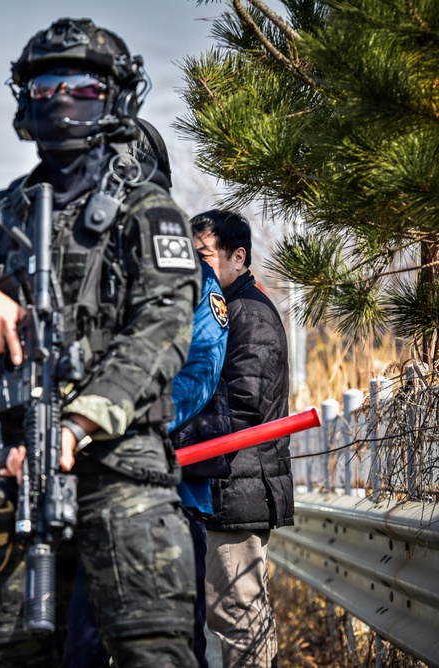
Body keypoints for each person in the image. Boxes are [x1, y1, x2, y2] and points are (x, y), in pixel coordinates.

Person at [0, 18, 199, 667]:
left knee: (153, 650)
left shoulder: (147, 213)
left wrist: (76, 424)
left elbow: (161, 330)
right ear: (24, 99)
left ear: (115, 97)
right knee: (10, 653)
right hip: (11, 471)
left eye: (82, 86)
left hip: (121, 472)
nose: (62, 100)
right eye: (45, 86)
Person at [62, 120, 231, 668]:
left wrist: (105, 420)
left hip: (168, 492)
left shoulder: (188, 271)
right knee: (79, 646)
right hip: (79, 493)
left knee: (172, 648)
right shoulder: (68, 266)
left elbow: (198, 373)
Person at [192, 209, 291, 668]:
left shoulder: (249, 313)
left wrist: (176, 433)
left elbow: (245, 408)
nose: (195, 265)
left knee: (239, 613)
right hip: (224, 483)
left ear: (238, 256)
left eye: (204, 255)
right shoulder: (226, 308)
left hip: (237, 485)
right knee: (230, 611)